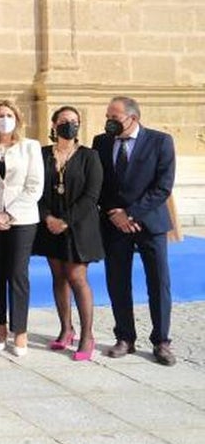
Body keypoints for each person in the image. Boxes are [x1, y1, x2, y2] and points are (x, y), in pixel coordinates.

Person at [93, 96, 177, 366]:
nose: (109, 123)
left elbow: (162, 187)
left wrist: (130, 214)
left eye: (114, 118)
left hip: (149, 223)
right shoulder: (101, 142)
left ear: (133, 118)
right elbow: (100, 185)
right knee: (118, 281)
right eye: (108, 117)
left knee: (158, 282)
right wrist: (114, 213)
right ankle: (125, 337)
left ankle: (161, 341)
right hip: (114, 225)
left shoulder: (160, 141)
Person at [34, 106, 103, 362]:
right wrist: (48, 218)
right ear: (54, 125)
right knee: (58, 276)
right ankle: (66, 328)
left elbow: (92, 195)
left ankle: (87, 336)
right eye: (64, 121)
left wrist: (66, 221)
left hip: (79, 226)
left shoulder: (89, 156)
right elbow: (33, 189)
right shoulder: (41, 154)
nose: (69, 125)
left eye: (74, 121)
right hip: (49, 224)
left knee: (77, 276)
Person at [0, 100, 44, 357]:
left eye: (8, 115)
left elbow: (34, 185)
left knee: (17, 273)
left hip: (22, 219)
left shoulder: (30, 147)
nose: (3, 119)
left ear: (16, 118)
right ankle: (0, 326)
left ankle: (20, 329)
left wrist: (9, 214)